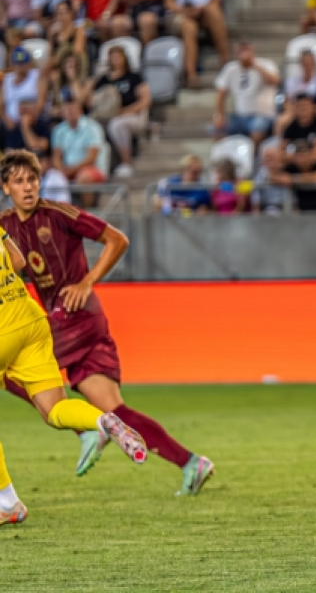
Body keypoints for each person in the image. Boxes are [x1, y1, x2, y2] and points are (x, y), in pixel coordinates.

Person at [0, 149, 214, 495]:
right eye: (19, 181)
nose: (28, 187)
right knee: (113, 408)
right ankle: (190, 461)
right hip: (60, 321)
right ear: (6, 188)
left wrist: (87, 282)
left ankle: (84, 431)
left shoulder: (59, 214)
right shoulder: (6, 227)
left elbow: (118, 239)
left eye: (33, 179)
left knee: (11, 370)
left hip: (76, 317)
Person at [0, 206, 146, 524]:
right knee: (54, 409)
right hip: (31, 320)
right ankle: (102, 422)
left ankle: (7, 501)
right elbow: (19, 262)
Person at [90, 46, 151, 179]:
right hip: (105, 115)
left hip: (131, 115)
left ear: (125, 58)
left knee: (116, 125)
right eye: (112, 57)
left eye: (118, 57)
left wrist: (125, 111)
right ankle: (98, 167)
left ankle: (126, 162)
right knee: (90, 126)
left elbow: (146, 100)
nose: (115, 60)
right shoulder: (104, 80)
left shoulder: (134, 77)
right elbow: (91, 100)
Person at [213, 40, 280, 147]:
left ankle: (252, 160)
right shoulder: (230, 68)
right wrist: (219, 115)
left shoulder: (266, 64)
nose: (243, 54)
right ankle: (221, 159)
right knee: (218, 130)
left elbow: (275, 81)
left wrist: (254, 65)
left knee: (257, 130)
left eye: (246, 50)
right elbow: (221, 92)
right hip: (240, 116)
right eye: (240, 51)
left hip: (262, 115)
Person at [51, 94, 109, 187]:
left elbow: (91, 159)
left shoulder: (92, 127)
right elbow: (56, 157)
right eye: (67, 110)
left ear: (80, 111)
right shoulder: (59, 130)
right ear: (62, 113)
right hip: (68, 169)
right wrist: (61, 169)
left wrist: (70, 170)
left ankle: (87, 202)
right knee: (51, 178)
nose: (70, 112)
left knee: (84, 177)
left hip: (92, 169)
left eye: (73, 109)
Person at [283, 49, 316, 113]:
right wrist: (296, 111)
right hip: (297, 114)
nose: (307, 65)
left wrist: (312, 110)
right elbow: (287, 102)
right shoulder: (292, 81)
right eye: (304, 62)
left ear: (314, 63)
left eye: (309, 62)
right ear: (301, 63)